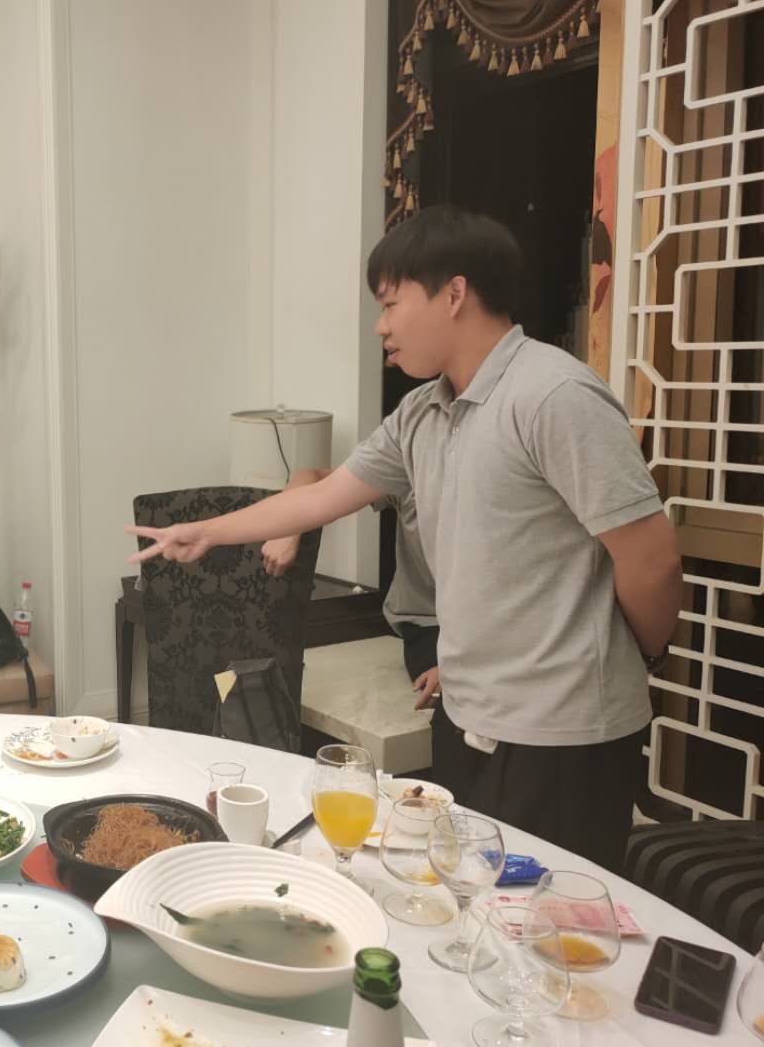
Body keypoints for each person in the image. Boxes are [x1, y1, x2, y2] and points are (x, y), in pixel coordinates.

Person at [130, 206, 681, 872]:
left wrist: (644, 655)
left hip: (562, 733)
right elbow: (320, 497)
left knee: (549, 921)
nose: (380, 326)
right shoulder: (423, 411)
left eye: (391, 303)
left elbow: (650, 560)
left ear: (454, 293)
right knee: (464, 901)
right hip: (468, 716)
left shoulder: (554, 395)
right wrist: (205, 533)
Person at [263, 474, 464, 788]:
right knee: (457, 712)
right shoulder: (407, 466)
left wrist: (463, 662)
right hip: (431, 627)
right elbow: (310, 476)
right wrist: (287, 527)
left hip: (488, 634)